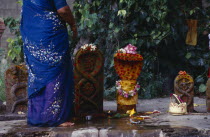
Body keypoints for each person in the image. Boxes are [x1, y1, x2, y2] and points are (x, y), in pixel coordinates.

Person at [20, 0, 77, 127]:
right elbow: (63, 10)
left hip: (32, 35)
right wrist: (73, 24)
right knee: (55, 72)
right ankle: (55, 118)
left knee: (38, 74)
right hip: (50, 36)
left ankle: (38, 117)